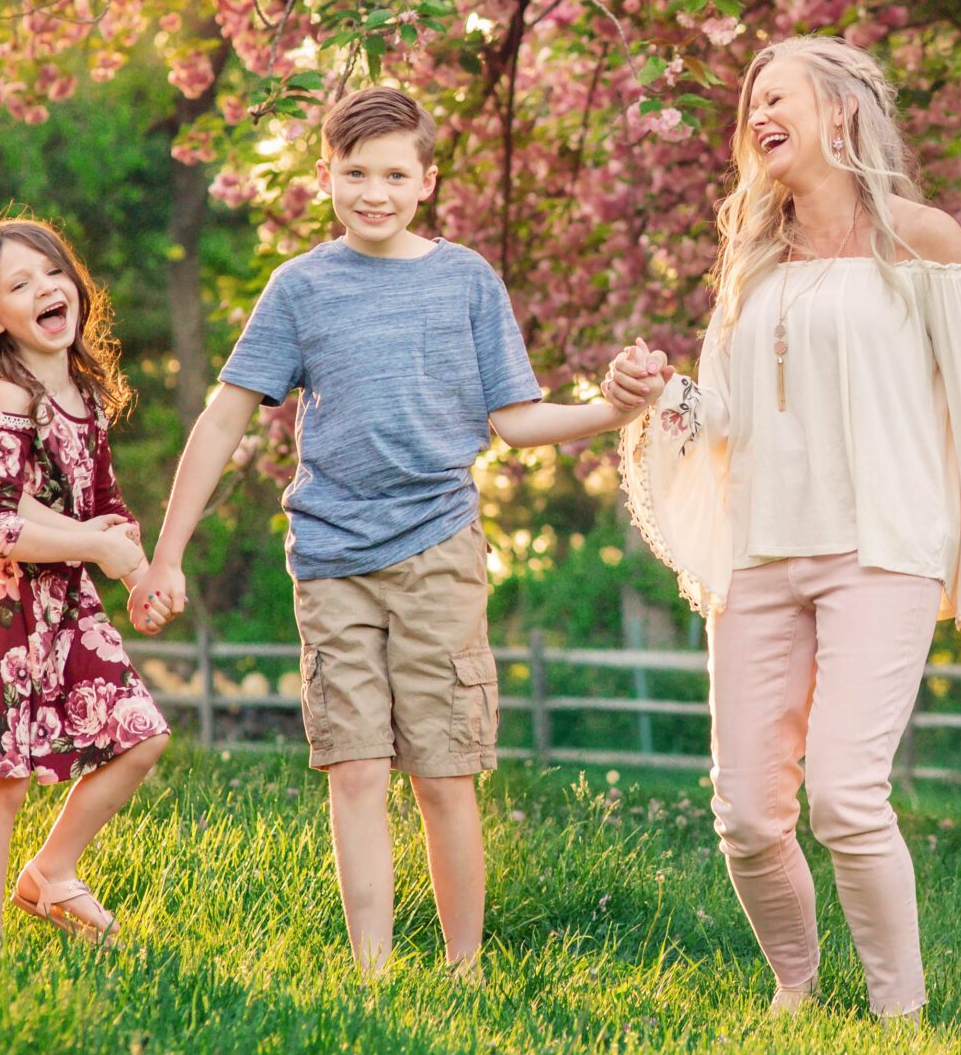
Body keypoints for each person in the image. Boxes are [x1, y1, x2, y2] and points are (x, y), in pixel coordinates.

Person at [130, 87, 661, 982]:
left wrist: (611, 410)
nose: (374, 193)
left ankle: (464, 971)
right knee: (355, 770)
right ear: (325, 176)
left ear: (427, 181)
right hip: (332, 559)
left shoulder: (466, 281)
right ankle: (371, 977)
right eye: (355, 174)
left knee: (444, 774)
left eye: (393, 175)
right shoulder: (300, 288)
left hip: (438, 551)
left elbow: (516, 421)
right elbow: (223, 420)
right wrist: (168, 552)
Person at [619, 35, 961, 1019]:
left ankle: (897, 1016)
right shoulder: (751, 254)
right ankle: (797, 988)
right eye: (751, 104)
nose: (757, 116)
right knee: (745, 811)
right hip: (759, 554)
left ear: (841, 110)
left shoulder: (924, 240)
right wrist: (659, 394)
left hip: (883, 549)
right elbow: (723, 413)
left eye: (776, 96)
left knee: (845, 795)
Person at [0, 217, 169, 941]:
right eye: (19, 284)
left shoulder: (83, 392)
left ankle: (51, 871)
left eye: (53, 272)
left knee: (140, 735)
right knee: (4, 780)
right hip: (2, 605)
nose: (45, 288)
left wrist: (140, 574)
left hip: (66, 601)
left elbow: (104, 503)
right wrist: (93, 548)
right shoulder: (2, 395)